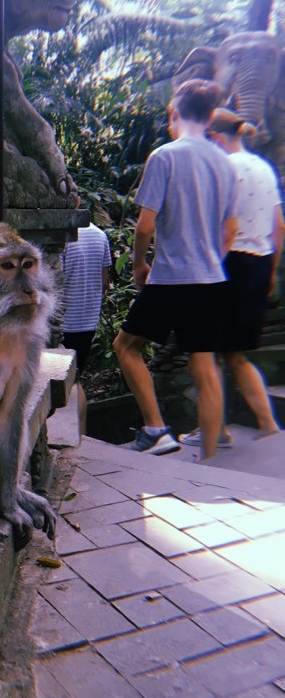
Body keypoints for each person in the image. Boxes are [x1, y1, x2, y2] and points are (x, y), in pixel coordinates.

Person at [113, 79, 238, 460]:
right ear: (210, 115)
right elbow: (231, 230)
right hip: (212, 279)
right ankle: (211, 460)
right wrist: (208, 256)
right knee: (204, 363)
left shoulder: (165, 156)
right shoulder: (225, 162)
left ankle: (155, 429)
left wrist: (138, 265)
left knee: (126, 347)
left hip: (170, 277)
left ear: (174, 113)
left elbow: (146, 226)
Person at [179, 108, 285, 447]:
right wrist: (271, 272)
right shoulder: (263, 167)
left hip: (228, 264)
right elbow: (279, 226)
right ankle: (269, 425)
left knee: (204, 352)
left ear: (213, 136)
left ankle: (214, 432)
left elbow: (222, 226)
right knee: (236, 354)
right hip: (259, 263)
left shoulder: (224, 167)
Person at [60, 223, 112, 434]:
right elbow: (104, 281)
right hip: (87, 321)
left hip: (64, 322)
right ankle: (81, 435)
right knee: (75, 380)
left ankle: (70, 438)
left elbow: (55, 282)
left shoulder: (63, 237)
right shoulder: (100, 236)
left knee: (64, 384)